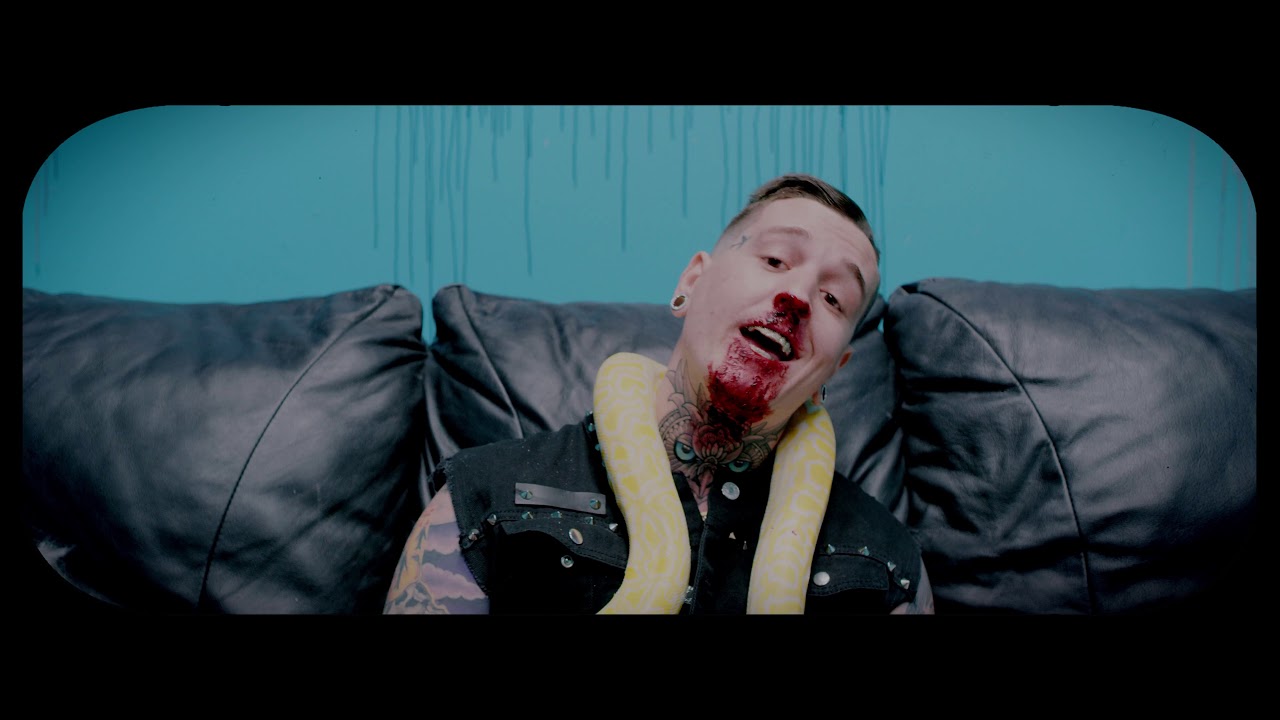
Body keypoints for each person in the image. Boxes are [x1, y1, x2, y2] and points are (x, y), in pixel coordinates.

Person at [384, 173, 934, 614]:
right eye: (774, 260)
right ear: (692, 281)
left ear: (837, 366)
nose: (798, 296)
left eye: (835, 298)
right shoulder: (484, 502)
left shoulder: (886, 564)